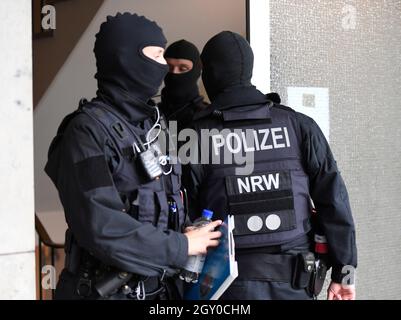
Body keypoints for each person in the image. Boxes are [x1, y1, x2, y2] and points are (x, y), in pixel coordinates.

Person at [44, 13, 221, 300]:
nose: (164, 67)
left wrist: (186, 229)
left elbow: (164, 198)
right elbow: (101, 226)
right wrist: (181, 246)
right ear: (126, 58)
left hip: (157, 290)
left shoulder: (153, 126)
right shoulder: (86, 132)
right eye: (157, 55)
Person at [183, 31, 357, 300]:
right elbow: (333, 200)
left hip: (225, 287)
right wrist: (344, 273)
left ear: (209, 74)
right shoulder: (299, 126)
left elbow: (185, 215)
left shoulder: (193, 137)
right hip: (294, 284)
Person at [160, 40, 208, 133]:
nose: (174, 73)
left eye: (183, 68)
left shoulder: (205, 117)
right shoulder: (152, 115)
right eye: (169, 67)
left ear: (196, 71)